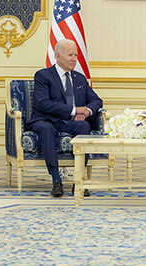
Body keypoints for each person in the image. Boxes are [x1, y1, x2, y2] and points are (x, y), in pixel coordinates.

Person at [27, 39, 103, 197]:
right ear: (57, 56)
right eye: (70, 55)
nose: (74, 59)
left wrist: (87, 111)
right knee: (46, 129)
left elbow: (97, 101)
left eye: (76, 55)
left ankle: (78, 181)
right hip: (46, 120)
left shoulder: (79, 78)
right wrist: (74, 110)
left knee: (84, 126)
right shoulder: (43, 75)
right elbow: (43, 103)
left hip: (69, 122)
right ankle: (56, 180)